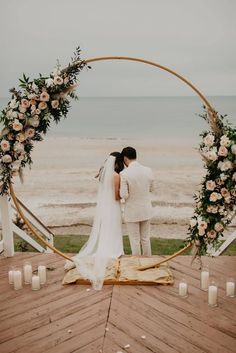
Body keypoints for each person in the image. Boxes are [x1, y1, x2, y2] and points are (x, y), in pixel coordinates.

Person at [64, 152, 124, 290]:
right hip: (113, 206)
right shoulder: (116, 176)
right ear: (117, 162)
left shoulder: (103, 175)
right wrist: (125, 193)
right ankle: (114, 249)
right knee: (113, 227)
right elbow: (116, 196)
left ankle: (108, 247)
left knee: (106, 227)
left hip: (104, 207)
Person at [120, 146, 154, 256]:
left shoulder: (124, 174)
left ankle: (137, 264)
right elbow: (152, 189)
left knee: (134, 240)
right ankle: (148, 262)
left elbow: (124, 195)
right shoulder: (148, 170)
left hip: (132, 211)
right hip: (146, 209)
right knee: (145, 239)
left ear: (125, 158)